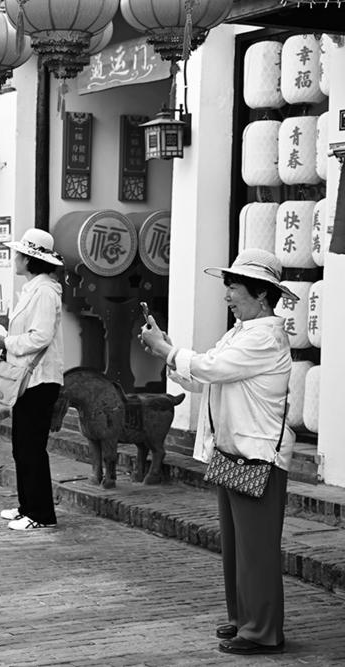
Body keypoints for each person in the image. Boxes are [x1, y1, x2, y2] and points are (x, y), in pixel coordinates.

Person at [139, 248, 295, 655]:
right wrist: (169, 351)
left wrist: (168, 351)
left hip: (257, 453)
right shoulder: (242, 331)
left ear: (261, 294)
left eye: (234, 288)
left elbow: (213, 368)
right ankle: (244, 619)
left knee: (256, 549)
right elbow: (207, 373)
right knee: (238, 546)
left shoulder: (263, 336)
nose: (227, 296)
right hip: (235, 450)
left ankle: (262, 631)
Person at [0, 228, 64, 531]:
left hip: (40, 379)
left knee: (31, 447)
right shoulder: (34, 289)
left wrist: (6, 342)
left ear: (28, 259)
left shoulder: (44, 292)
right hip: (30, 378)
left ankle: (41, 514)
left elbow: (41, 336)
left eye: (18, 254)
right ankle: (28, 505)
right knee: (22, 446)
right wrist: (8, 324)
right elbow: (32, 330)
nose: (14, 258)